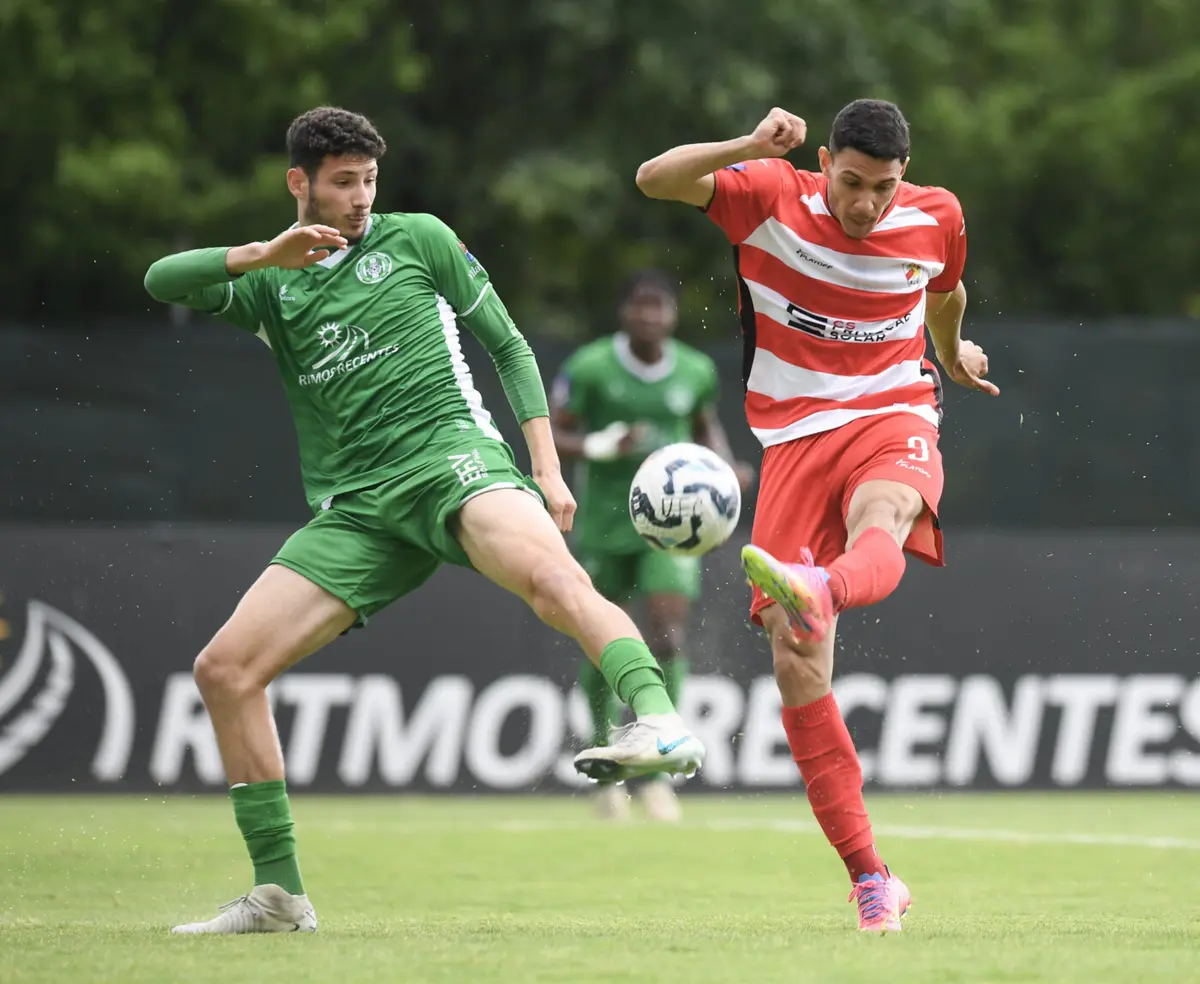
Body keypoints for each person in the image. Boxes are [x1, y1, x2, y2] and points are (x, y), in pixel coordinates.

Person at [143, 107, 705, 935]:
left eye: (370, 180)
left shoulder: (418, 238)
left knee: (553, 581)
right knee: (224, 671)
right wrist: (263, 253)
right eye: (343, 182)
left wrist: (546, 469)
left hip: (452, 463)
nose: (362, 198)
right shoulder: (269, 283)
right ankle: (278, 895)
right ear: (298, 183)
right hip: (356, 510)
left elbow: (510, 346)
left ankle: (657, 719)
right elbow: (161, 279)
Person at [634, 99, 998, 932]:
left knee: (887, 513)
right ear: (825, 161)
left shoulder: (936, 214)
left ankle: (826, 584)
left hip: (895, 410)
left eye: (884, 187)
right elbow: (656, 179)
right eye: (854, 182)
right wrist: (747, 144)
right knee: (799, 666)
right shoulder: (768, 193)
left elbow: (945, 287)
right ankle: (872, 876)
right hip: (793, 442)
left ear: (904, 176)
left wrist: (950, 354)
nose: (867, 204)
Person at [550, 270, 754, 822]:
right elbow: (554, 433)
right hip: (603, 526)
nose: (650, 316)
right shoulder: (591, 367)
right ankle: (603, 761)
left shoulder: (695, 369)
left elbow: (705, 426)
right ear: (623, 312)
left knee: (667, 631)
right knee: (600, 638)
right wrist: (598, 444)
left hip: (672, 533)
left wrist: (724, 470)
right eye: (640, 306)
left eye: (659, 306)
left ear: (673, 313)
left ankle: (659, 771)